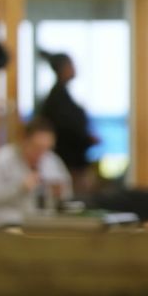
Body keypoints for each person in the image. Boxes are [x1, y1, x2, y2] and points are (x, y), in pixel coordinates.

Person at [0, 117, 73, 229]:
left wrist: (60, 192)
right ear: (23, 140)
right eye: (37, 147)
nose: (41, 153)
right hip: (5, 225)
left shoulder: (52, 160)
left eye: (47, 148)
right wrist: (20, 188)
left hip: (44, 226)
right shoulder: (0, 160)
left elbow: (68, 194)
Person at [37, 50, 99, 196]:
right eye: (71, 65)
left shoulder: (63, 95)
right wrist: (87, 139)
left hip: (74, 161)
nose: (74, 68)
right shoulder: (57, 99)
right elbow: (67, 129)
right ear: (62, 68)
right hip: (68, 162)